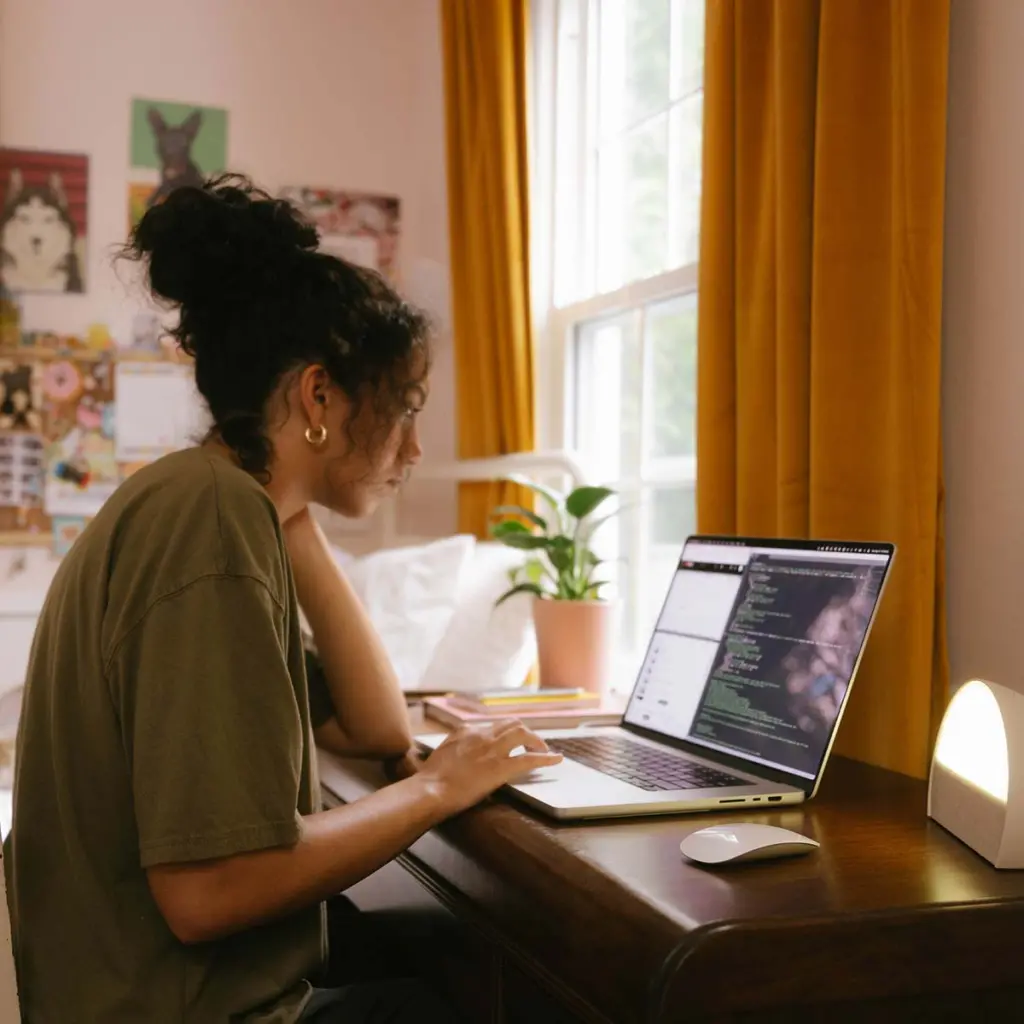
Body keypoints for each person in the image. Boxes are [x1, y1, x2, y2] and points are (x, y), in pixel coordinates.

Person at [4, 176, 562, 1023]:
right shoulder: (210, 520)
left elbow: (372, 727)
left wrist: (294, 508)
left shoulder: (222, 503)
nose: (413, 448)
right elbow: (208, 891)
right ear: (318, 396)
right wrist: (436, 789)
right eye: (404, 410)